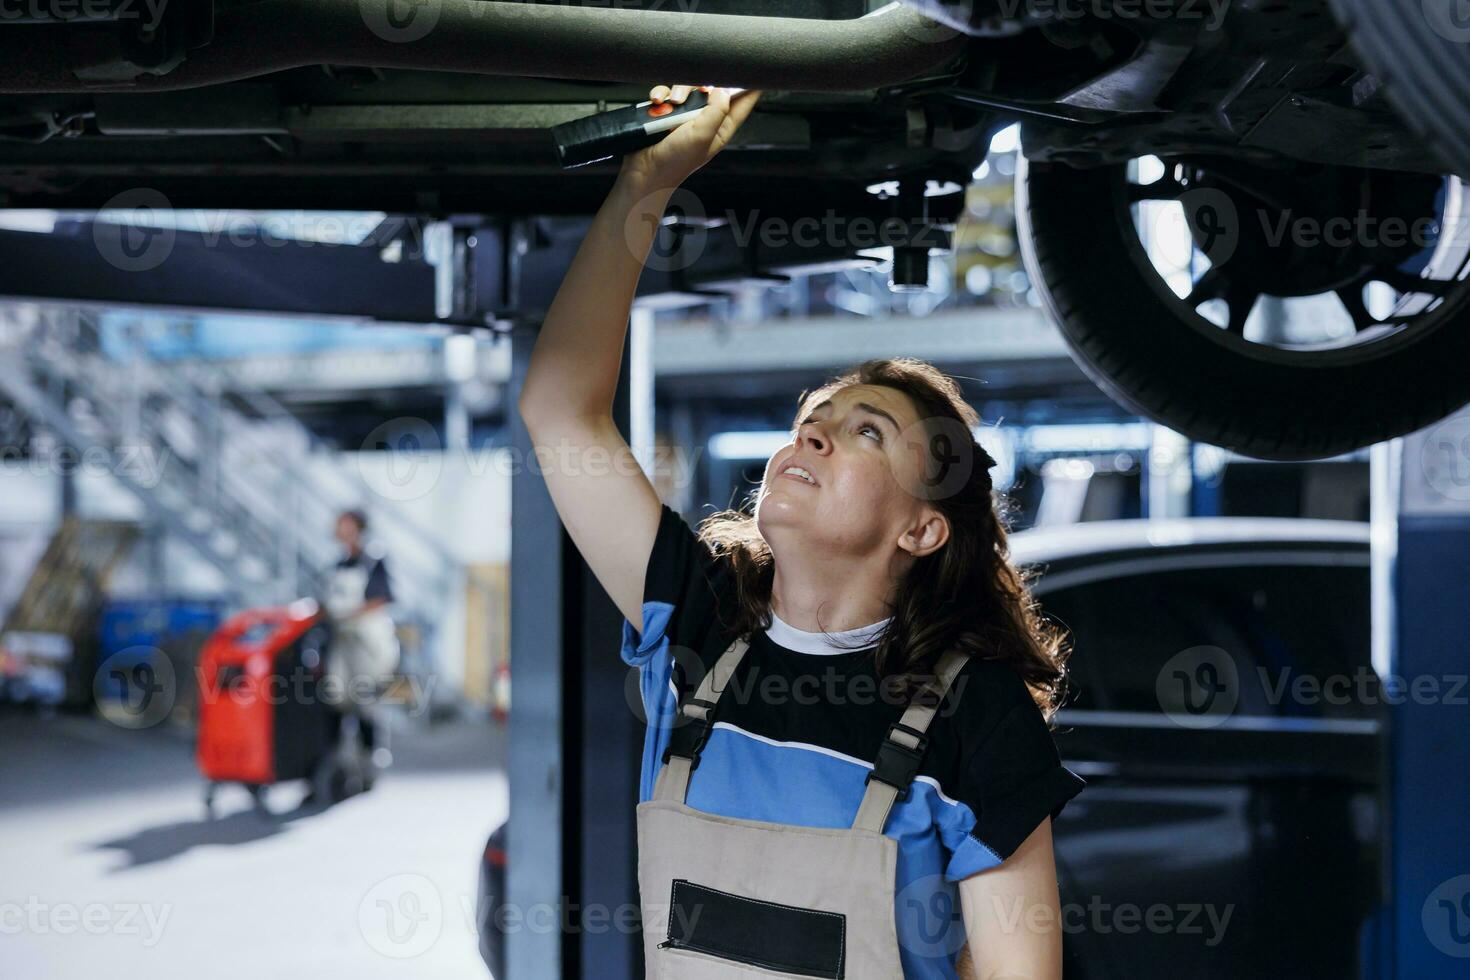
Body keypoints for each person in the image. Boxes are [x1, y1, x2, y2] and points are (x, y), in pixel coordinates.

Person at [519, 84, 1085, 979]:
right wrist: (647, 183)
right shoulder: (703, 624)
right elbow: (558, 408)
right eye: (811, 418)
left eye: (866, 431)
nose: (809, 434)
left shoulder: (977, 715)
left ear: (924, 530)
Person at [320, 508, 399, 777]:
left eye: (346, 525)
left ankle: (370, 760)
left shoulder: (373, 560)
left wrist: (350, 614)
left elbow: (381, 598)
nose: (341, 530)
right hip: (343, 640)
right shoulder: (338, 564)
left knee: (366, 700)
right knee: (338, 698)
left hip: (367, 642)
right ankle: (336, 762)